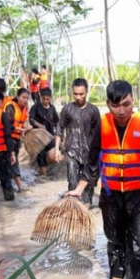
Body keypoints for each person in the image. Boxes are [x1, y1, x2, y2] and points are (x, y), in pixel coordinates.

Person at [66, 80, 140, 279]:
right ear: (108, 104)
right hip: (111, 196)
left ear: (132, 100)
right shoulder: (103, 125)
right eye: (116, 106)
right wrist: (79, 188)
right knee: (115, 242)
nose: (122, 110)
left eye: (126, 104)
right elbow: (92, 161)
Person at [55, 78, 101, 206]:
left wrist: (98, 153)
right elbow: (60, 128)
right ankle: (73, 209)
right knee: (73, 182)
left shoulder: (93, 110)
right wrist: (57, 149)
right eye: (75, 94)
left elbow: (99, 133)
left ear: (87, 92)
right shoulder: (67, 109)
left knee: (89, 183)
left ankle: (87, 208)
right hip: (71, 151)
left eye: (81, 94)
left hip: (89, 152)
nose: (78, 97)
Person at [3, 88, 32, 192]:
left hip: (17, 139)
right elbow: (8, 126)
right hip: (9, 138)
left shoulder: (24, 108)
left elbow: (22, 122)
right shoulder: (10, 107)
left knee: (12, 162)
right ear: (18, 96)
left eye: (27, 98)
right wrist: (22, 129)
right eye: (23, 97)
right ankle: (19, 186)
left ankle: (11, 185)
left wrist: (25, 130)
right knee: (12, 162)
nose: (25, 100)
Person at [29, 87, 58, 178]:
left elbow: (57, 121)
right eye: (44, 99)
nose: (46, 101)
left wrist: (59, 135)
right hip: (39, 137)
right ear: (40, 97)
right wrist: (39, 125)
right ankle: (43, 175)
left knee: (53, 157)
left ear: (50, 98)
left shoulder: (52, 108)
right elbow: (31, 119)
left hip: (50, 136)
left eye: (48, 99)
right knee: (41, 155)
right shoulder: (35, 107)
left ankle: (43, 165)